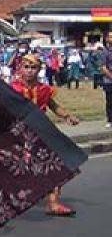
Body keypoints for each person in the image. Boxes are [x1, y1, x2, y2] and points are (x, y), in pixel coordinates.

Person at [9, 53, 82, 215]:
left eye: (33, 67)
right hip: (17, 134)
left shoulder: (44, 89)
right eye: (26, 67)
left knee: (56, 164)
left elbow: (53, 106)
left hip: (41, 132)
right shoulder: (12, 88)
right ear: (20, 68)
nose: (29, 71)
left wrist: (68, 116)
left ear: (39, 70)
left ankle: (53, 202)